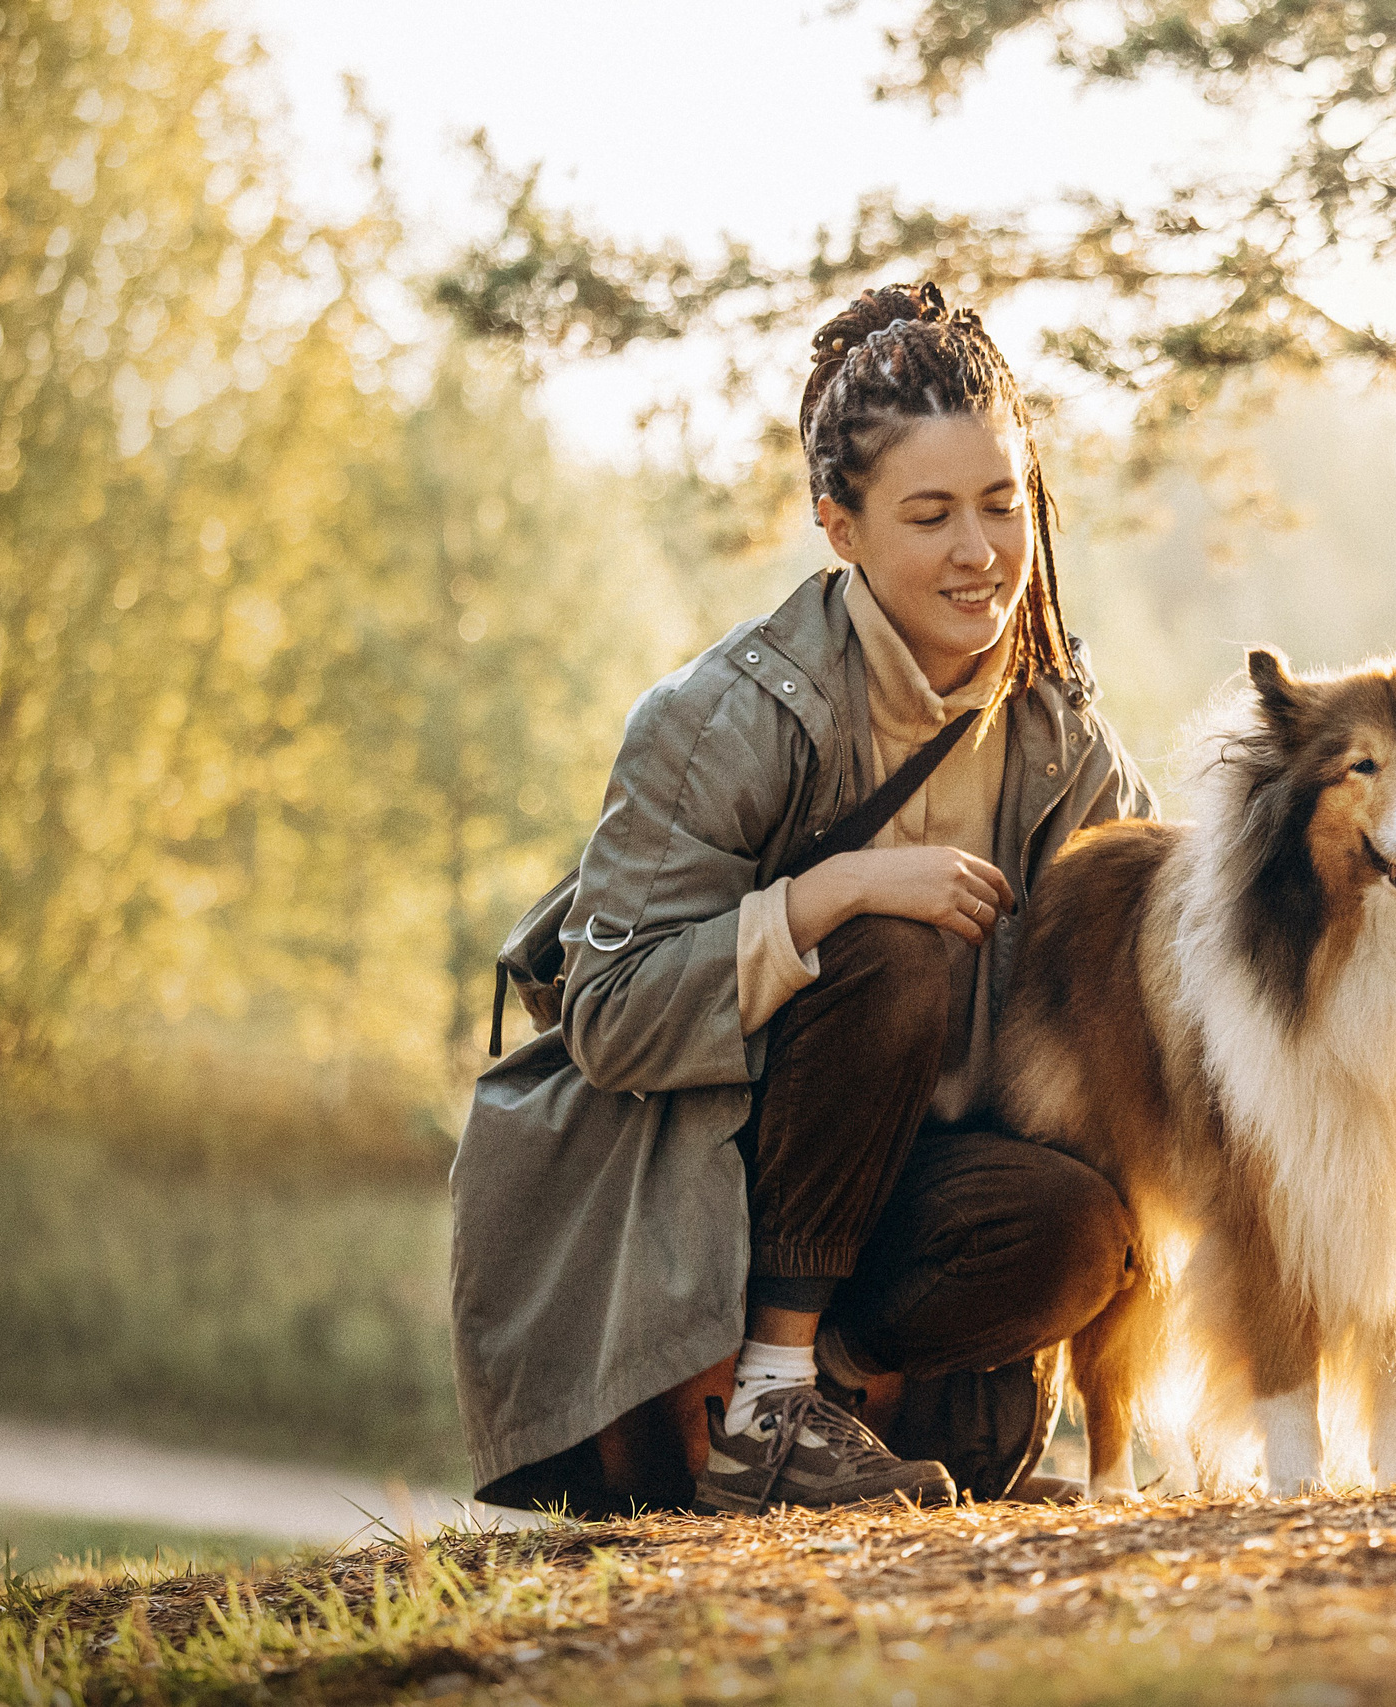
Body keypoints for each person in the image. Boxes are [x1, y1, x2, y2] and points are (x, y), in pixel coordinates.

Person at [450, 283, 1154, 1516]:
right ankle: (762, 1397)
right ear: (839, 525)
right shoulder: (716, 721)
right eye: (929, 515)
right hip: (709, 1211)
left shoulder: (1061, 733)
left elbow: (1149, 966)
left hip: (903, 1210)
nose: (980, 552)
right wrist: (823, 896)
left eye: (1002, 505)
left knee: (1078, 1228)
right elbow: (609, 1017)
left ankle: (827, 1400)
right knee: (892, 943)